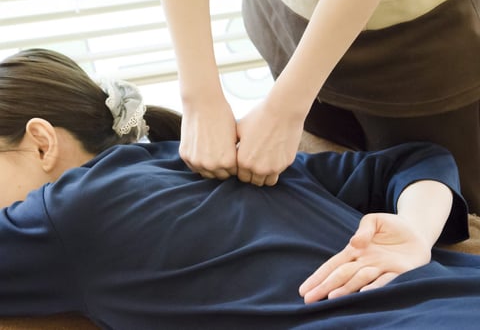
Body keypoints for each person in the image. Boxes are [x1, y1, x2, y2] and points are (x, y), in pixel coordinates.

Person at [0, 48, 479, 329]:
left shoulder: (60, 214)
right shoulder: (224, 158)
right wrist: (416, 232)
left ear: (41, 142)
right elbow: (417, 160)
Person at [158, 0, 480, 214]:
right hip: (287, 20)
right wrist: (199, 97)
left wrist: (285, 108)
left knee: (450, 211)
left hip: (417, 42)